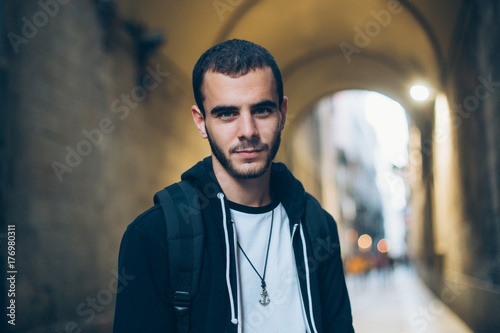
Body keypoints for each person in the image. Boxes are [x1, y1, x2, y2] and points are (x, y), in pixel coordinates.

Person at [113, 39, 354, 333]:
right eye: (227, 113)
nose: (248, 131)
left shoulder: (316, 225)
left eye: (262, 110)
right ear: (201, 122)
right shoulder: (155, 235)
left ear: (283, 113)